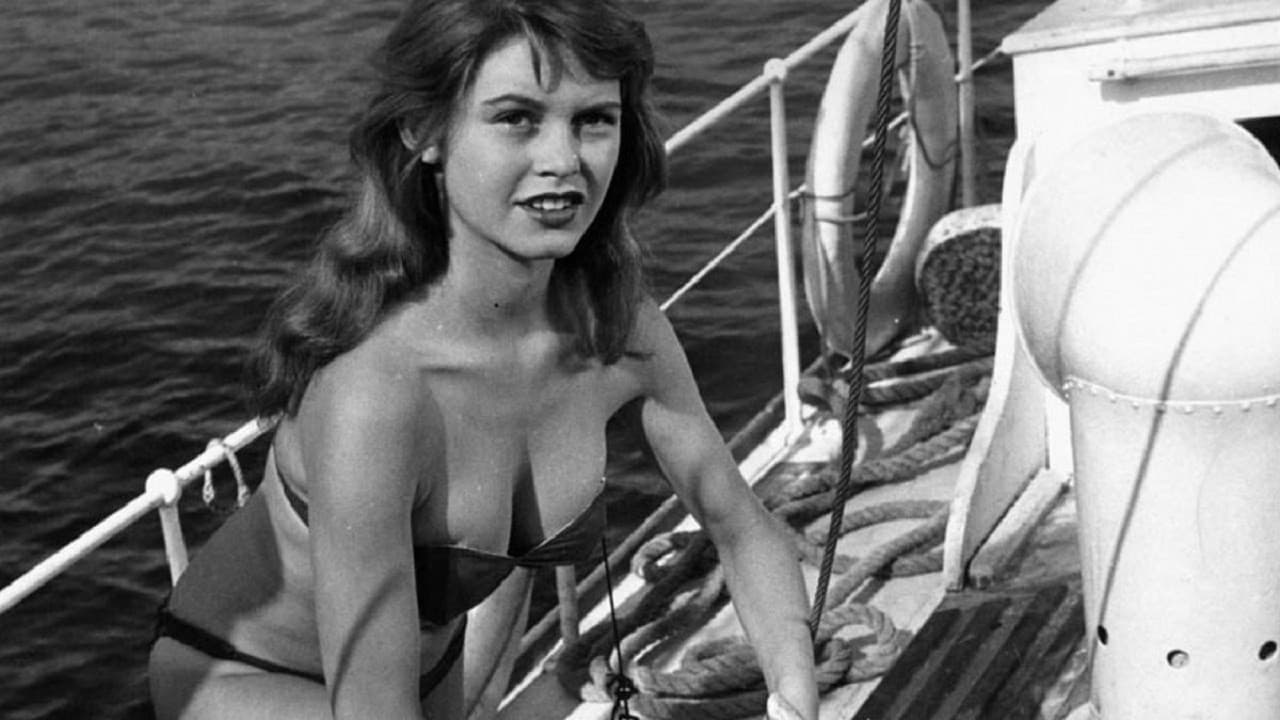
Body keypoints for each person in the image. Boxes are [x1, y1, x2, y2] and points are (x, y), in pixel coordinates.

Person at [147, 0, 818, 718]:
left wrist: (795, 697)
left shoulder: (618, 330)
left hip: (434, 678)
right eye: (517, 118)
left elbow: (741, 528)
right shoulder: (375, 397)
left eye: (594, 119)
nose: (564, 161)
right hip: (247, 683)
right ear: (425, 131)